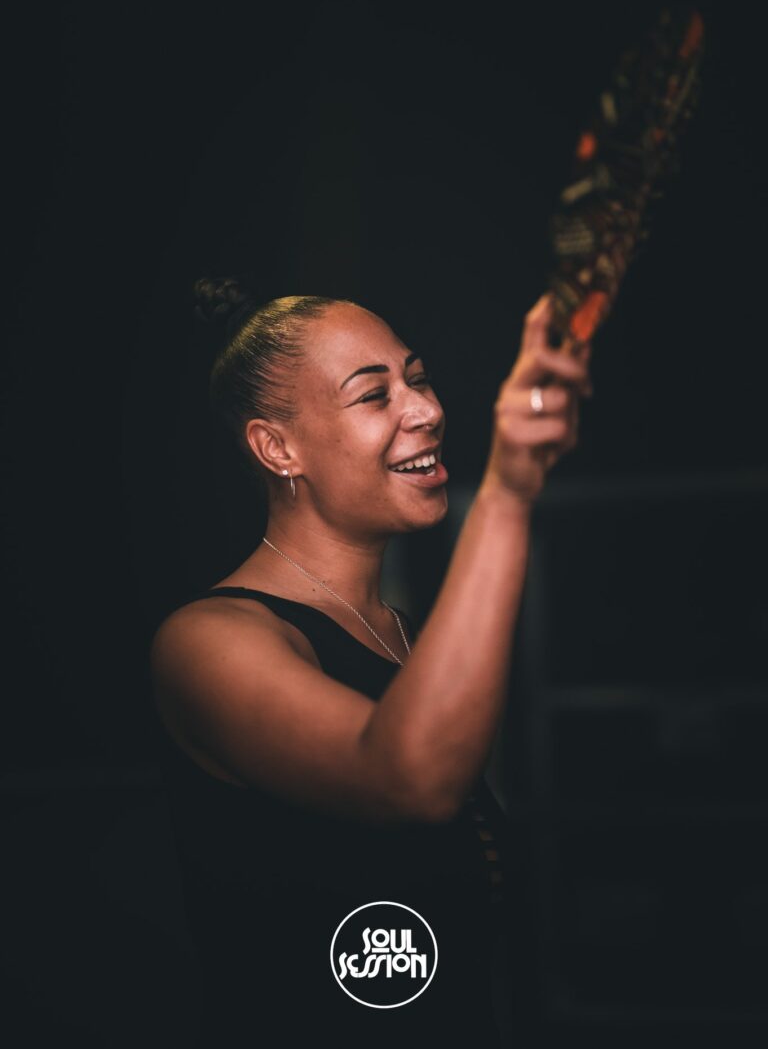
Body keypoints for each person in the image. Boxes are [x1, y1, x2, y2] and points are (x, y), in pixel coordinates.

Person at [149, 279, 592, 1047]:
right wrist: (507, 493)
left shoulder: (412, 641)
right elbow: (407, 777)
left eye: (418, 379)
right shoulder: (206, 641)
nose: (427, 410)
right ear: (277, 448)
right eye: (374, 395)